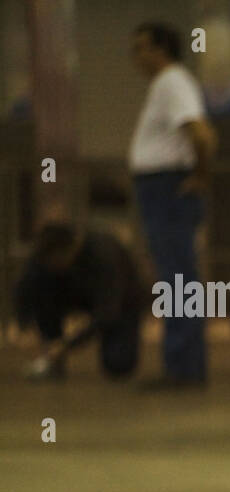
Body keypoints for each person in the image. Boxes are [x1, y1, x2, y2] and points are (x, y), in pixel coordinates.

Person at [129, 22, 216, 387]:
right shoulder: (166, 84)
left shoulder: (173, 82)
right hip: (159, 189)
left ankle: (183, 367)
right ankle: (182, 364)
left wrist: (199, 176)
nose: (136, 57)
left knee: (178, 279)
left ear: (161, 49)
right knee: (174, 276)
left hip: (167, 189)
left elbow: (201, 134)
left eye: (142, 48)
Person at [14, 223, 146, 381]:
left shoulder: (105, 255)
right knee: (43, 287)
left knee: (119, 364)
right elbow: (24, 287)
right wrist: (24, 325)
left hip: (121, 303)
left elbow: (108, 312)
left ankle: (58, 349)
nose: (52, 266)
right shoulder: (45, 257)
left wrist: (68, 344)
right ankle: (52, 354)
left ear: (70, 248)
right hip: (76, 296)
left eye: (56, 261)